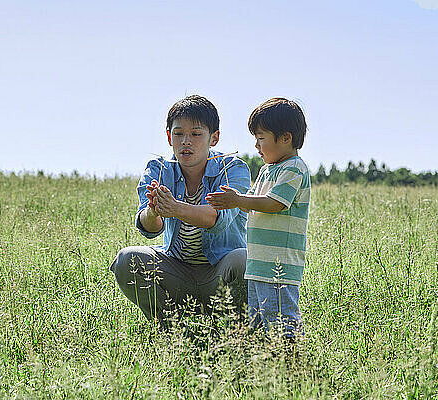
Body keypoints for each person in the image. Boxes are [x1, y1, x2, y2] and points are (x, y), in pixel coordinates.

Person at [110, 95, 251, 325]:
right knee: (126, 259)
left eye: (196, 134)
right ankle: (172, 328)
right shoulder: (158, 169)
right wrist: (154, 211)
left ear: (213, 138)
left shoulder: (233, 168)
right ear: (169, 137)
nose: (186, 141)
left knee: (243, 259)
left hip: (218, 272)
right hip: (176, 269)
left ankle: (232, 330)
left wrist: (176, 208)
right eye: (178, 133)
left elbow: (219, 219)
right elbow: (149, 228)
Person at [206, 98, 310, 337]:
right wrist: (229, 200)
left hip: (278, 264)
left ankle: (292, 363)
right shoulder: (266, 170)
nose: (256, 146)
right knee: (259, 318)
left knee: (281, 320)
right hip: (259, 262)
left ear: (285, 138)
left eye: (261, 138)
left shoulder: (293, 168)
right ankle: (267, 363)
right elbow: (250, 205)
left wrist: (237, 200)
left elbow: (274, 203)